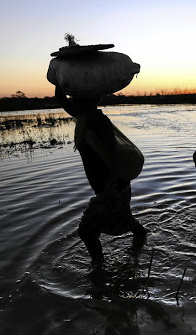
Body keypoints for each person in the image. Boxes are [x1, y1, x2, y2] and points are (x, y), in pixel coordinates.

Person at [55, 85, 146, 268]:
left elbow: (113, 153)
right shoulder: (84, 117)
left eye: (75, 98)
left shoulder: (98, 121)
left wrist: (111, 185)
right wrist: (58, 80)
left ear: (85, 101)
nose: (71, 100)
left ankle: (98, 265)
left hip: (112, 185)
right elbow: (62, 101)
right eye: (72, 98)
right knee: (123, 218)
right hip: (110, 185)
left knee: (86, 230)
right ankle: (140, 237)